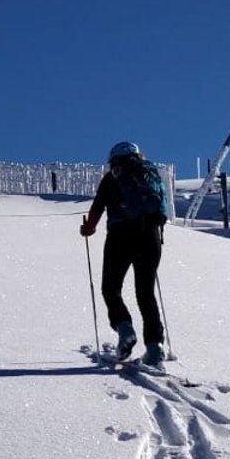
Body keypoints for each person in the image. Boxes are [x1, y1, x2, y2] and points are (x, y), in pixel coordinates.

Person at [78, 141, 169, 366]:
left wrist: (88, 228)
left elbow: (98, 206)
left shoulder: (113, 177)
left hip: (121, 236)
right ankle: (155, 347)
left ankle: (125, 328)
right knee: (146, 293)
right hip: (151, 235)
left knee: (110, 288)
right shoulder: (151, 173)